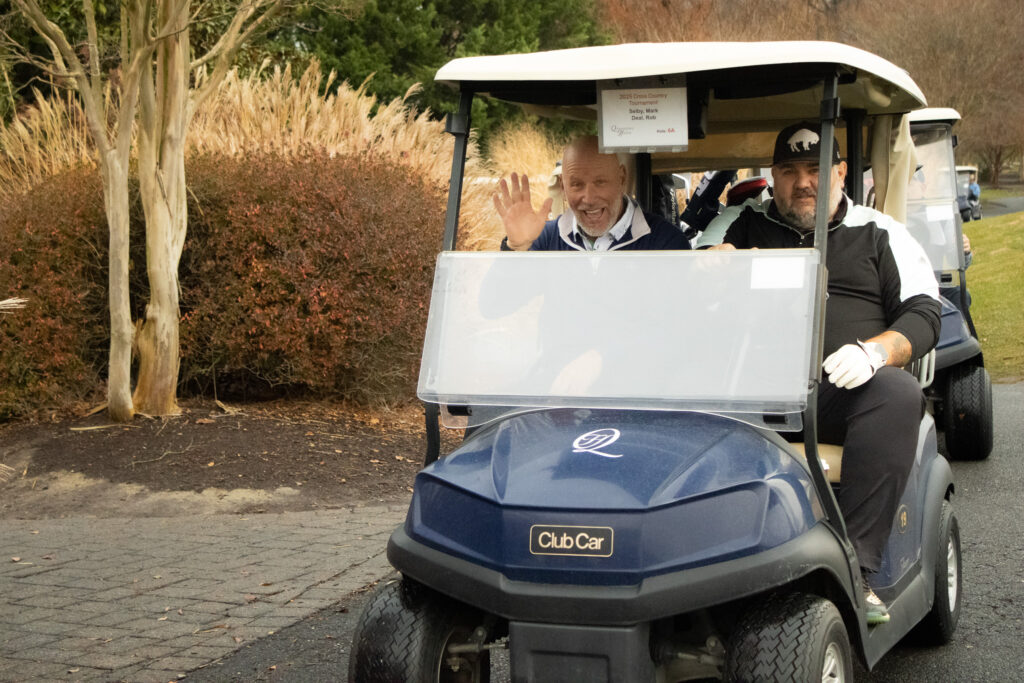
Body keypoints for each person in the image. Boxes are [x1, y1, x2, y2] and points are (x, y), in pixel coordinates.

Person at [704, 121, 942, 625]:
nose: (803, 182)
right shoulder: (744, 225)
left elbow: (923, 313)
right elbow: (697, 270)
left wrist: (875, 353)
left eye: (816, 169)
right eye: (789, 171)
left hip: (841, 396)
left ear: (839, 173)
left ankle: (857, 570)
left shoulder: (879, 233)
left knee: (897, 394)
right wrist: (713, 265)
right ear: (773, 176)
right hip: (751, 396)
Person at [493, 135, 690, 251]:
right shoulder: (545, 238)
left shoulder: (665, 242)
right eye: (577, 184)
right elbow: (493, 307)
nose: (589, 198)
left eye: (600, 182)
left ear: (622, 178)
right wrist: (515, 248)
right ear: (562, 186)